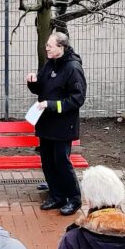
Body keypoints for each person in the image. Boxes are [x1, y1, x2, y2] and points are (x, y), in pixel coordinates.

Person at [26, 32, 87, 217]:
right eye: (47, 45)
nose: (47, 48)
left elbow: (78, 99)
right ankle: (56, 195)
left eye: (50, 46)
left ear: (61, 47)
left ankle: (74, 199)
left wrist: (52, 105)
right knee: (47, 162)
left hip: (63, 126)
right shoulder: (50, 64)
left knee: (62, 162)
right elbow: (42, 88)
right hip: (46, 124)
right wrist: (33, 83)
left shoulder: (73, 68)